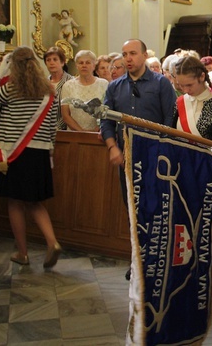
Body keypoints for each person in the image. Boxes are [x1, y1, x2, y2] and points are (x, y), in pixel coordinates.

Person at [100, 39, 177, 280]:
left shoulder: (161, 84)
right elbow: (106, 120)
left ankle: (157, 261)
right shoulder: (115, 87)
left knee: (155, 210)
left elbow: (169, 121)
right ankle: (138, 260)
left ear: (144, 55)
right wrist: (112, 146)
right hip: (127, 158)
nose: (128, 58)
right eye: (124, 54)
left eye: (133, 53)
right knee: (133, 211)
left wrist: (162, 152)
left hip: (155, 158)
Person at [0, 47, 60, 267]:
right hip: (40, 152)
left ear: (13, 66)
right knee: (34, 202)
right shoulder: (49, 90)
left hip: (13, 153)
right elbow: (52, 124)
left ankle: (23, 253)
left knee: (15, 202)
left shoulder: (11, 88)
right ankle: (52, 242)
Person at [61, 50, 108, 132]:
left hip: (99, 134)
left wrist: (96, 130)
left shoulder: (104, 84)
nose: (84, 65)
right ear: (76, 66)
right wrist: (81, 132)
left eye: (88, 63)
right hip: (74, 135)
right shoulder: (68, 86)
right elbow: (65, 115)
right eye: (81, 63)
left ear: (94, 66)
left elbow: (108, 111)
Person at [43, 46, 72, 131]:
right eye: (48, 60)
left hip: (64, 130)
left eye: (55, 59)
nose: (51, 63)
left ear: (62, 62)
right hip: (45, 130)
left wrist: (56, 127)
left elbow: (70, 111)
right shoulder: (43, 83)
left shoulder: (71, 82)